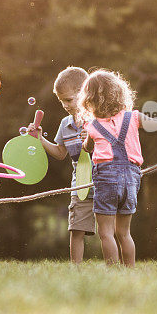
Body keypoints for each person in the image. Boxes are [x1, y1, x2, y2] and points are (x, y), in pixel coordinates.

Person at [80, 69, 157, 267]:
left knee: (106, 232)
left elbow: (88, 147)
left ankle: (113, 272)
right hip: (131, 178)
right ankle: (130, 270)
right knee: (124, 232)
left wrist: (85, 145)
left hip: (106, 179)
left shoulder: (92, 126)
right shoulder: (133, 117)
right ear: (119, 94)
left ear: (89, 100)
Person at [26, 66, 95, 264]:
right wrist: (40, 139)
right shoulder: (65, 124)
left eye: (69, 100)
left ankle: (117, 266)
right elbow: (59, 153)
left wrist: (93, 138)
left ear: (85, 93)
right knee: (76, 228)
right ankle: (76, 269)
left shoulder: (98, 119)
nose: (65, 105)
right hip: (79, 184)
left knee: (111, 228)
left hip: (104, 180)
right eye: (61, 101)